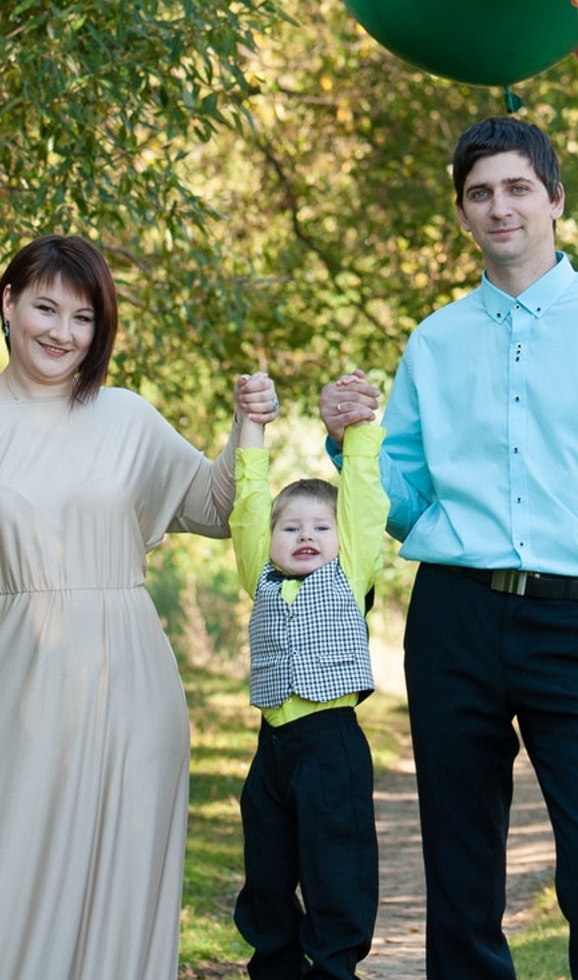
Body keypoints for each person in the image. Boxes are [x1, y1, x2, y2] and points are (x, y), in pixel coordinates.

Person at [321, 115, 578, 980]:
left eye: (516, 188)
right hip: (454, 622)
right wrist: (349, 442)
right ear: (464, 215)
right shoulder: (434, 340)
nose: (499, 208)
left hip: (577, 630)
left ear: (554, 199)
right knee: (463, 879)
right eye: (479, 194)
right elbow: (401, 504)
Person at [0, 233, 277, 980]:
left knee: (111, 904)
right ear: (9, 304)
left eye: (83, 318)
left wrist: (250, 428)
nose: (61, 332)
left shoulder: (128, 419)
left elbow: (216, 506)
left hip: (129, 702)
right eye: (45, 308)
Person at [229, 369, 387, 979]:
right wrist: (251, 431)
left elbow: (364, 500)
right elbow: (249, 503)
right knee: (266, 869)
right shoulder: (259, 576)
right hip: (272, 749)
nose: (306, 537)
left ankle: (335, 970)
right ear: (269, 540)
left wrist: (357, 437)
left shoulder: (349, 572)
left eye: (320, 528)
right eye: (291, 527)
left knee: (336, 869)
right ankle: (274, 966)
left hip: (331, 744)